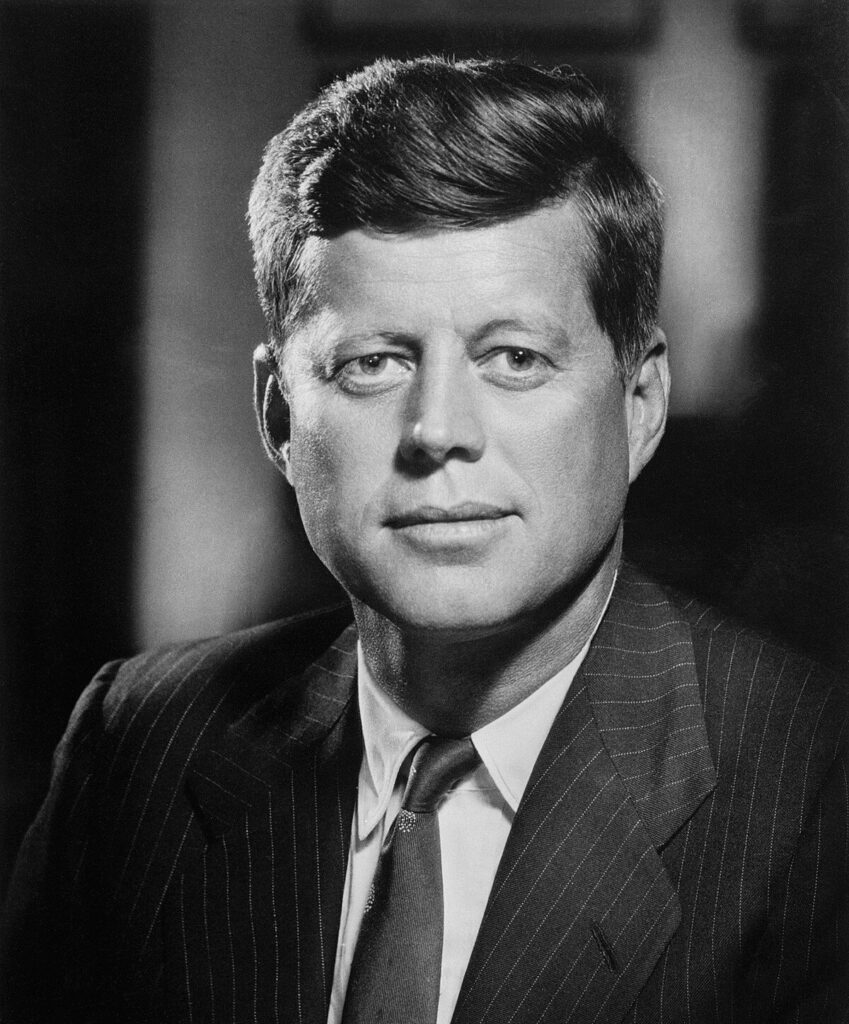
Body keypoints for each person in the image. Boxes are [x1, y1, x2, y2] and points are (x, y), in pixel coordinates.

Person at [2, 55, 847, 1024]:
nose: (438, 427)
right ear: (280, 416)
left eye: (515, 358)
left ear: (641, 402)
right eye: (372, 362)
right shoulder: (140, 738)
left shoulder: (815, 784)